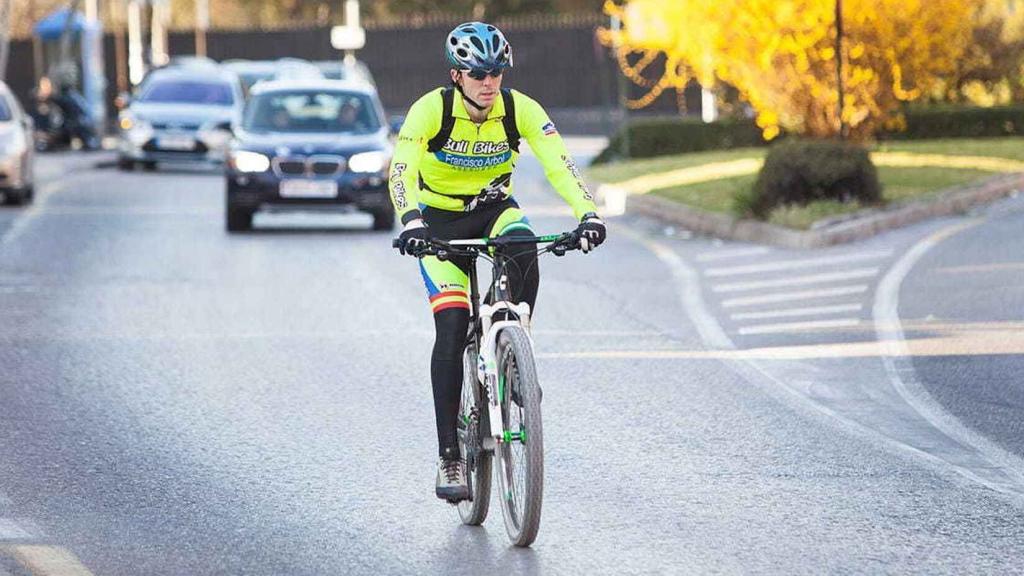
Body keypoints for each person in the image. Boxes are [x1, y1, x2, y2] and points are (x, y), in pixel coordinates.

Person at [388, 22, 607, 501]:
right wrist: (410, 221)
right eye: (478, 74)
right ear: (456, 75)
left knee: (525, 247)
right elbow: (401, 168)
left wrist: (587, 213)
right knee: (450, 325)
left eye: (497, 73)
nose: (489, 83)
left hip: (494, 211)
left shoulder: (519, 109)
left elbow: (559, 163)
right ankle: (450, 455)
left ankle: (511, 350)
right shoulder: (431, 110)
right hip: (439, 225)